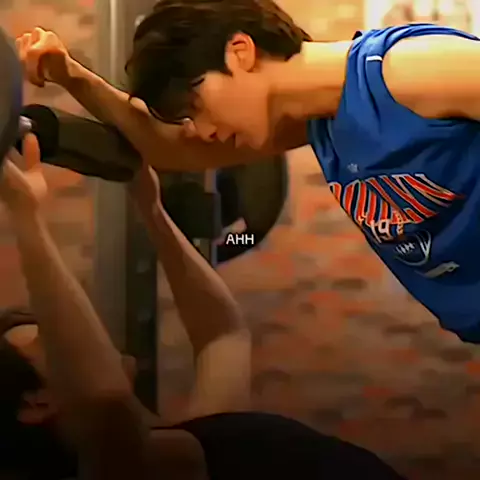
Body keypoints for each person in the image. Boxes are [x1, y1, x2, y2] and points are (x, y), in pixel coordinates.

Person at [16, 1, 480, 343]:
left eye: (195, 104)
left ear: (240, 51)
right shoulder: (323, 120)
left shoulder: (408, 70)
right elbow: (168, 149)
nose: (202, 129)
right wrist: (70, 75)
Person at [0, 137, 404, 479]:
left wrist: (150, 207)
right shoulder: (128, 470)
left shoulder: (196, 440)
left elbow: (223, 335)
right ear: (37, 403)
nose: (73, 337)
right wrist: (26, 216)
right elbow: (104, 399)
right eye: (50, 339)